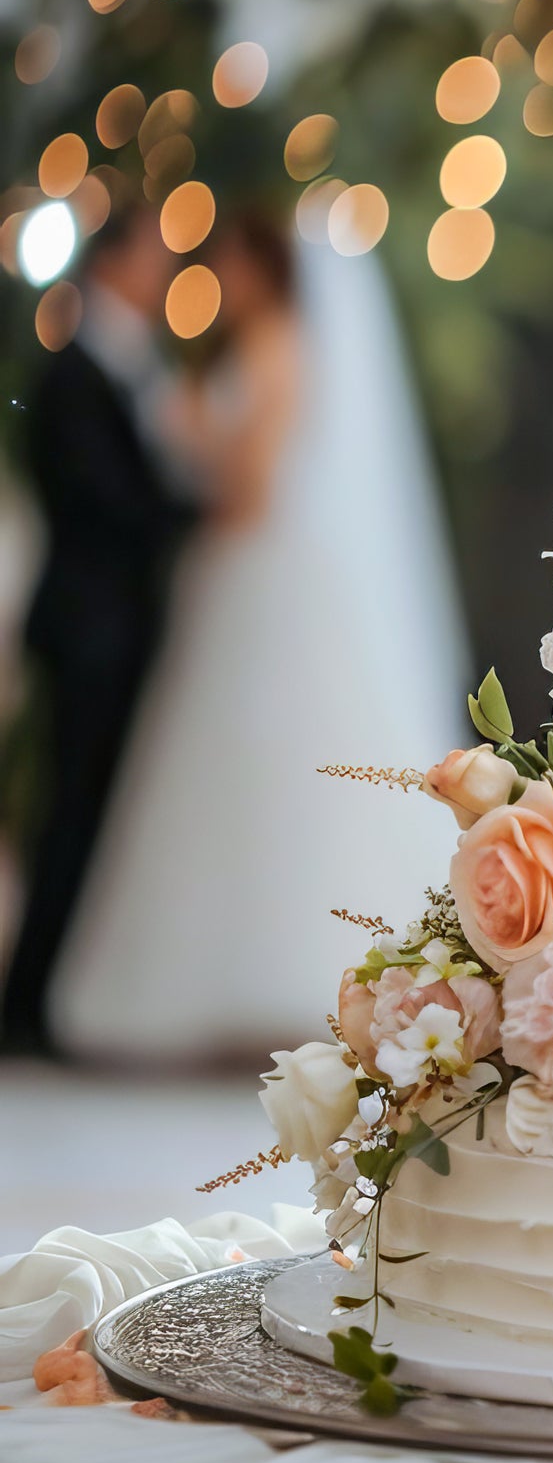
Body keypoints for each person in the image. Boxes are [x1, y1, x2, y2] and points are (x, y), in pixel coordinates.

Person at [49, 215, 466, 1065]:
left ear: (264, 271)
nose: (219, 279)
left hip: (259, 579)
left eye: (231, 262)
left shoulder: (275, 348)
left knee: (267, 776)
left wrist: (190, 449)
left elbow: (253, 490)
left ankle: (279, 976)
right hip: (253, 584)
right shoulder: (273, 348)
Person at [2, 206, 198, 1059]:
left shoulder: (133, 362)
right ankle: (24, 1005)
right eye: (153, 253)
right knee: (68, 815)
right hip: (87, 626)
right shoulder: (72, 370)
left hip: (115, 626)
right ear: (115, 259)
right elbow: (101, 501)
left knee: (87, 816)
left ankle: (44, 996)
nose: (164, 270)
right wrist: (192, 512)